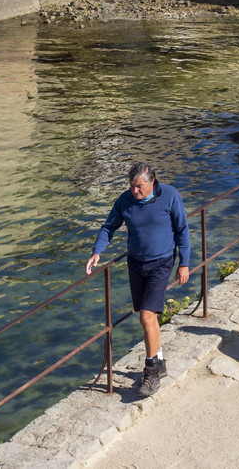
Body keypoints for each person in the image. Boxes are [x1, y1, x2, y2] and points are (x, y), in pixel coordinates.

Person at [85, 162, 191, 397]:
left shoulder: (170, 196)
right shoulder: (124, 200)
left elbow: (182, 230)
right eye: (132, 186)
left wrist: (184, 263)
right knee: (147, 317)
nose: (135, 191)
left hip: (162, 262)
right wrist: (97, 251)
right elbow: (108, 227)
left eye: (139, 186)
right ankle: (160, 360)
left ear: (152, 182)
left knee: (146, 315)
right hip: (135, 263)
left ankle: (151, 370)